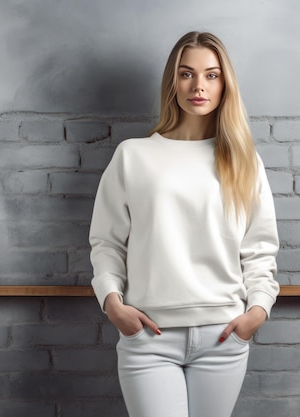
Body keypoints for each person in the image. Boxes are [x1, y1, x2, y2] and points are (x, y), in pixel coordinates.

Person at [89, 31, 279, 417]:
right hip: (148, 337)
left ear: (225, 84)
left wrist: (257, 310)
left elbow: (260, 249)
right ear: (172, 82)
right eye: (186, 73)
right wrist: (112, 303)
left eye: (211, 75)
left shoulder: (244, 160)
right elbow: (108, 243)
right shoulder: (133, 156)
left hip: (223, 335)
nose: (198, 86)